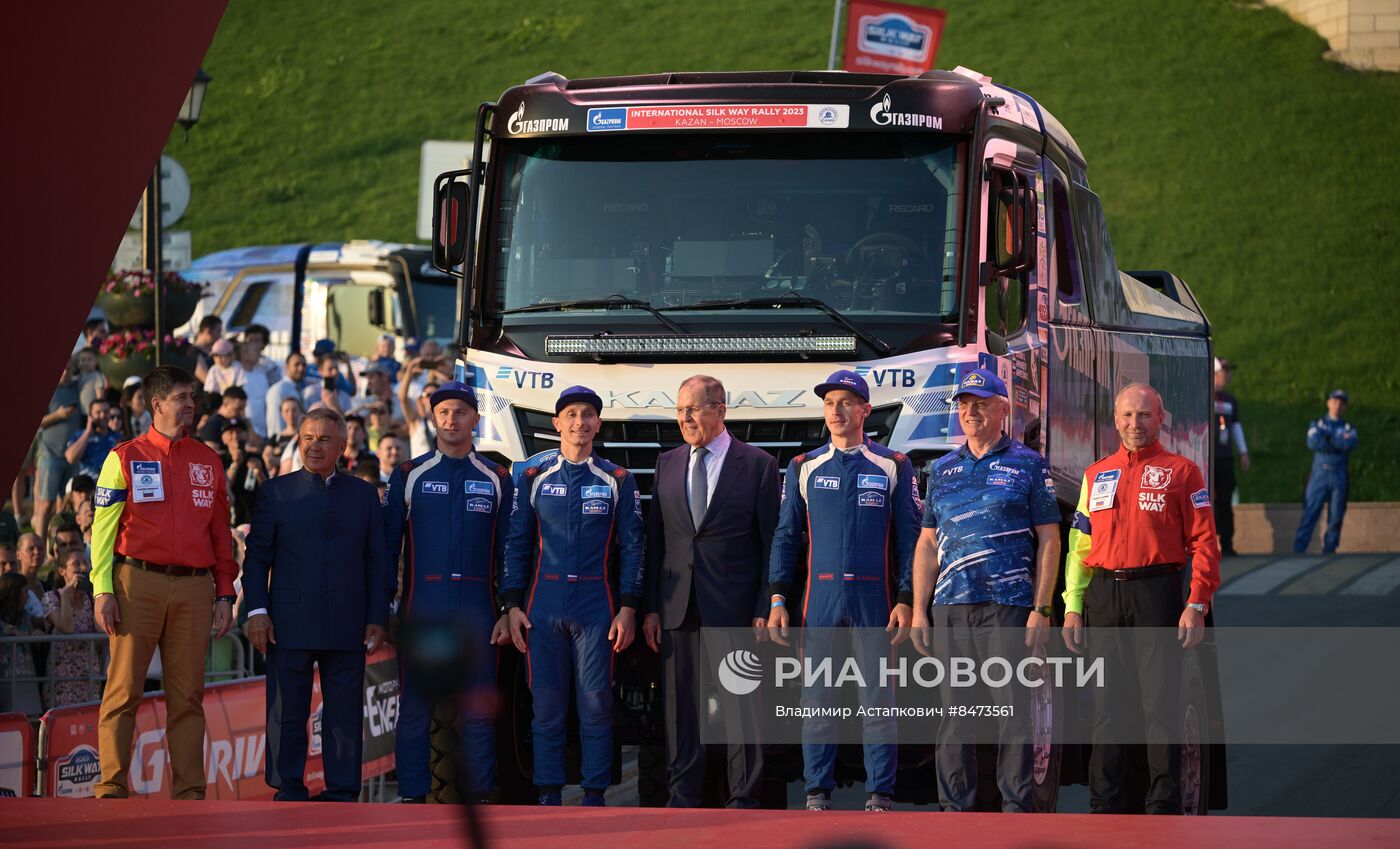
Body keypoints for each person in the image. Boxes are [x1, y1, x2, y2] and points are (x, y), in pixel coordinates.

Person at [1061, 383, 1220, 815]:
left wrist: (1196, 603)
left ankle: (1162, 805)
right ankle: (1105, 804)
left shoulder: (1183, 472)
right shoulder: (1096, 474)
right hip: (1104, 596)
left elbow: (1205, 544)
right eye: (1128, 415)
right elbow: (1079, 546)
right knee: (1106, 706)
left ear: (1161, 419)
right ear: (1115, 420)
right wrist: (1073, 606)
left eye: (1145, 415)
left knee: (1158, 704)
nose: (1136, 424)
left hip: (1157, 593)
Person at [767, 370, 918, 812]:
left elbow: (910, 539)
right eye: (830, 402)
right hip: (820, 600)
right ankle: (817, 792)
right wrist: (778, 597)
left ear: (866, 410)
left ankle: (880, 794)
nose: (836, 410)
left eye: (847, 402)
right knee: (817, 700)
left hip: (875, 599)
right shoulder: (803, 466)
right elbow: (786, 536)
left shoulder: (894, 464)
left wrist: (907, 598)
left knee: (878, 701)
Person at [911, 368, 1060, 813]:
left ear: (1002, 409)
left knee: (1011, 709)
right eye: (964, 405)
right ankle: (954, 809)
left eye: (980, 404)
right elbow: (926, 543)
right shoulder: (942, 469)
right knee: (954, 713)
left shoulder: (1028, 463)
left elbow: (1050, 540)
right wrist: (919, 609)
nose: (970, 412)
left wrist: (1041, 608)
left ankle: (1016, 809)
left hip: (1007, 605)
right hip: (951, 606)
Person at [90, 365, 240, 800]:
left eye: (192, 396)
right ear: (156, 404)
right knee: (123, 691)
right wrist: (102, 589)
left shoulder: (208, 459)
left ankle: (190, 795)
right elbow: (102, 532)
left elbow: (221, 535)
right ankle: (111, 788)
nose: (191, 403)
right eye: (181, 397)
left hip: (194, 587)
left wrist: (225, 592)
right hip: (136, 582)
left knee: (188, 696)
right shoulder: (123, 457)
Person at [499, 385, 643, 806]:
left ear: (598, 424)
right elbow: (516, 544)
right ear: (557, 424)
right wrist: (511, 605)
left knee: (596, 703)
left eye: (587, 415)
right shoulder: (531, 476)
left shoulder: (618, 479)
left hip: (597, 605)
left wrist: (629, 607)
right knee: (546, 704)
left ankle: (594, 793)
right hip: (543, 604)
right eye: (572, 415)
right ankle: (549, 791)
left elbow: (634, 547)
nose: (580, 422)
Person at [641, 375, 777, 809]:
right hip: (678, 606)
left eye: (694, 409)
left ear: (720, 410)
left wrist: (766, 603)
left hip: (735, 606)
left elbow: (771, 543)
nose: (685, 418)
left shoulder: (758, 465)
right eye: (679, 410)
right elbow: (656, 540)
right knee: (680, 709)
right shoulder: (666, 463)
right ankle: (682, 795)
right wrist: (651, 608)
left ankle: (744, 797)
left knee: (741, 707)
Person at [242, 407, 389, 802]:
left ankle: (341, 792)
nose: (314, 446)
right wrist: (257, 612)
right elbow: (256, 559)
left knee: (344, 715)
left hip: (348, 622)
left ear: (342, 446)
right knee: (287, 713)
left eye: (324, 439)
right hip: (288, 623)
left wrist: (377, 616)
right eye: (307, 438)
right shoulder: (276, 492)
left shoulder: (363, 494)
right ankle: (287, 787)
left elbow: (377, 561)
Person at [386, 381, 513, 804]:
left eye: (460, 412)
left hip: (478, 608)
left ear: (475, 419)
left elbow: (510, 550)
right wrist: (385, 605)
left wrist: (509, 606)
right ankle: (412, 797)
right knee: (415, 707)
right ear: (433, 418)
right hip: (424, 608)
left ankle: (480, 796)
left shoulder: (496, 477)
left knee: (478, 710)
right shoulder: (409, 474)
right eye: (443, 412)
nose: (451, 419)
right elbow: (387, 548)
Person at [1293, 389, 1358, 555]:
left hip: (1339, 473)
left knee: (1336, 515)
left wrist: (1328, 439)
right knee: (1311, 512)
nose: (1337, 405)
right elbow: (1314, 443)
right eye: (1335, 401)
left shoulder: (1348, 427)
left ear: (1345, 406)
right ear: (1328, 403)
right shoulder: (1318, 423)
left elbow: (1349, 444)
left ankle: (1330, 549)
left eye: (1341, 403)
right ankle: (1299, 549)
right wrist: (1337, 441)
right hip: (1319, 473)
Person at [43, 549, 101, 707]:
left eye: (85, 563)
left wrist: (98, 592)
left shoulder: (90, 599)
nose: (83, 568)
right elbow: (66, 627)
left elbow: (100, 630)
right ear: (62, 571)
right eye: (76, 564)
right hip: (62, 678)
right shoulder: (51, 598)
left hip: (89, 675)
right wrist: (65, 595)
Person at [34, 366, 83, 544]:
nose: (65, 372)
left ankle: (59, 545)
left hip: (72, 456)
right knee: (46, 504)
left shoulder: (76, 387)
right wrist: (57, 415)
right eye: (62, 368)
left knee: (66, 504)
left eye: (68, 368)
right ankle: (39, 546)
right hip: (51, 454)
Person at [1211, 359, 1249, 557]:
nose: (1228, 375)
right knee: (1207, 501)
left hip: (1225, 456)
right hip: (1208, 457)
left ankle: (1227, 543)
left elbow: (1236, 427)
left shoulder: (1230, 400)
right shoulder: (1204, 395)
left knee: (1226, 500)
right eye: (1224, 371)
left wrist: (1243, 452)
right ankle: (1208, 543)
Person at [0, 573, 43, 714]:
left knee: (31, 720)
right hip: (5, 681)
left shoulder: (25, 616)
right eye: (25, 592)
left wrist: (36, 634)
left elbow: (34, 634)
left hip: (26, 679)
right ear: (13, 593)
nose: (28, 597)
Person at [64, 399, 122, 481]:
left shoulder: (118, 437)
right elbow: (71, 458)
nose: (102, 415)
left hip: (109, 484)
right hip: (87, 484)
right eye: (98, 412)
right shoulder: (79, 435)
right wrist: (88, 432)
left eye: (106, 412)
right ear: (90, 416)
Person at [265, 352, 309, 438]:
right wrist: (278, 442)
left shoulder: (299, 388)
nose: (301, 368)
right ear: (286, 367)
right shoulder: (278, 390)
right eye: (296, 364)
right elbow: (275, 421)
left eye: (304, 365)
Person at [191, 315, 224, 383]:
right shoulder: (193, 353)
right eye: (218, 331)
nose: (220, 336)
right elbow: (208, 381)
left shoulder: (213, 353)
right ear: (208, 331)